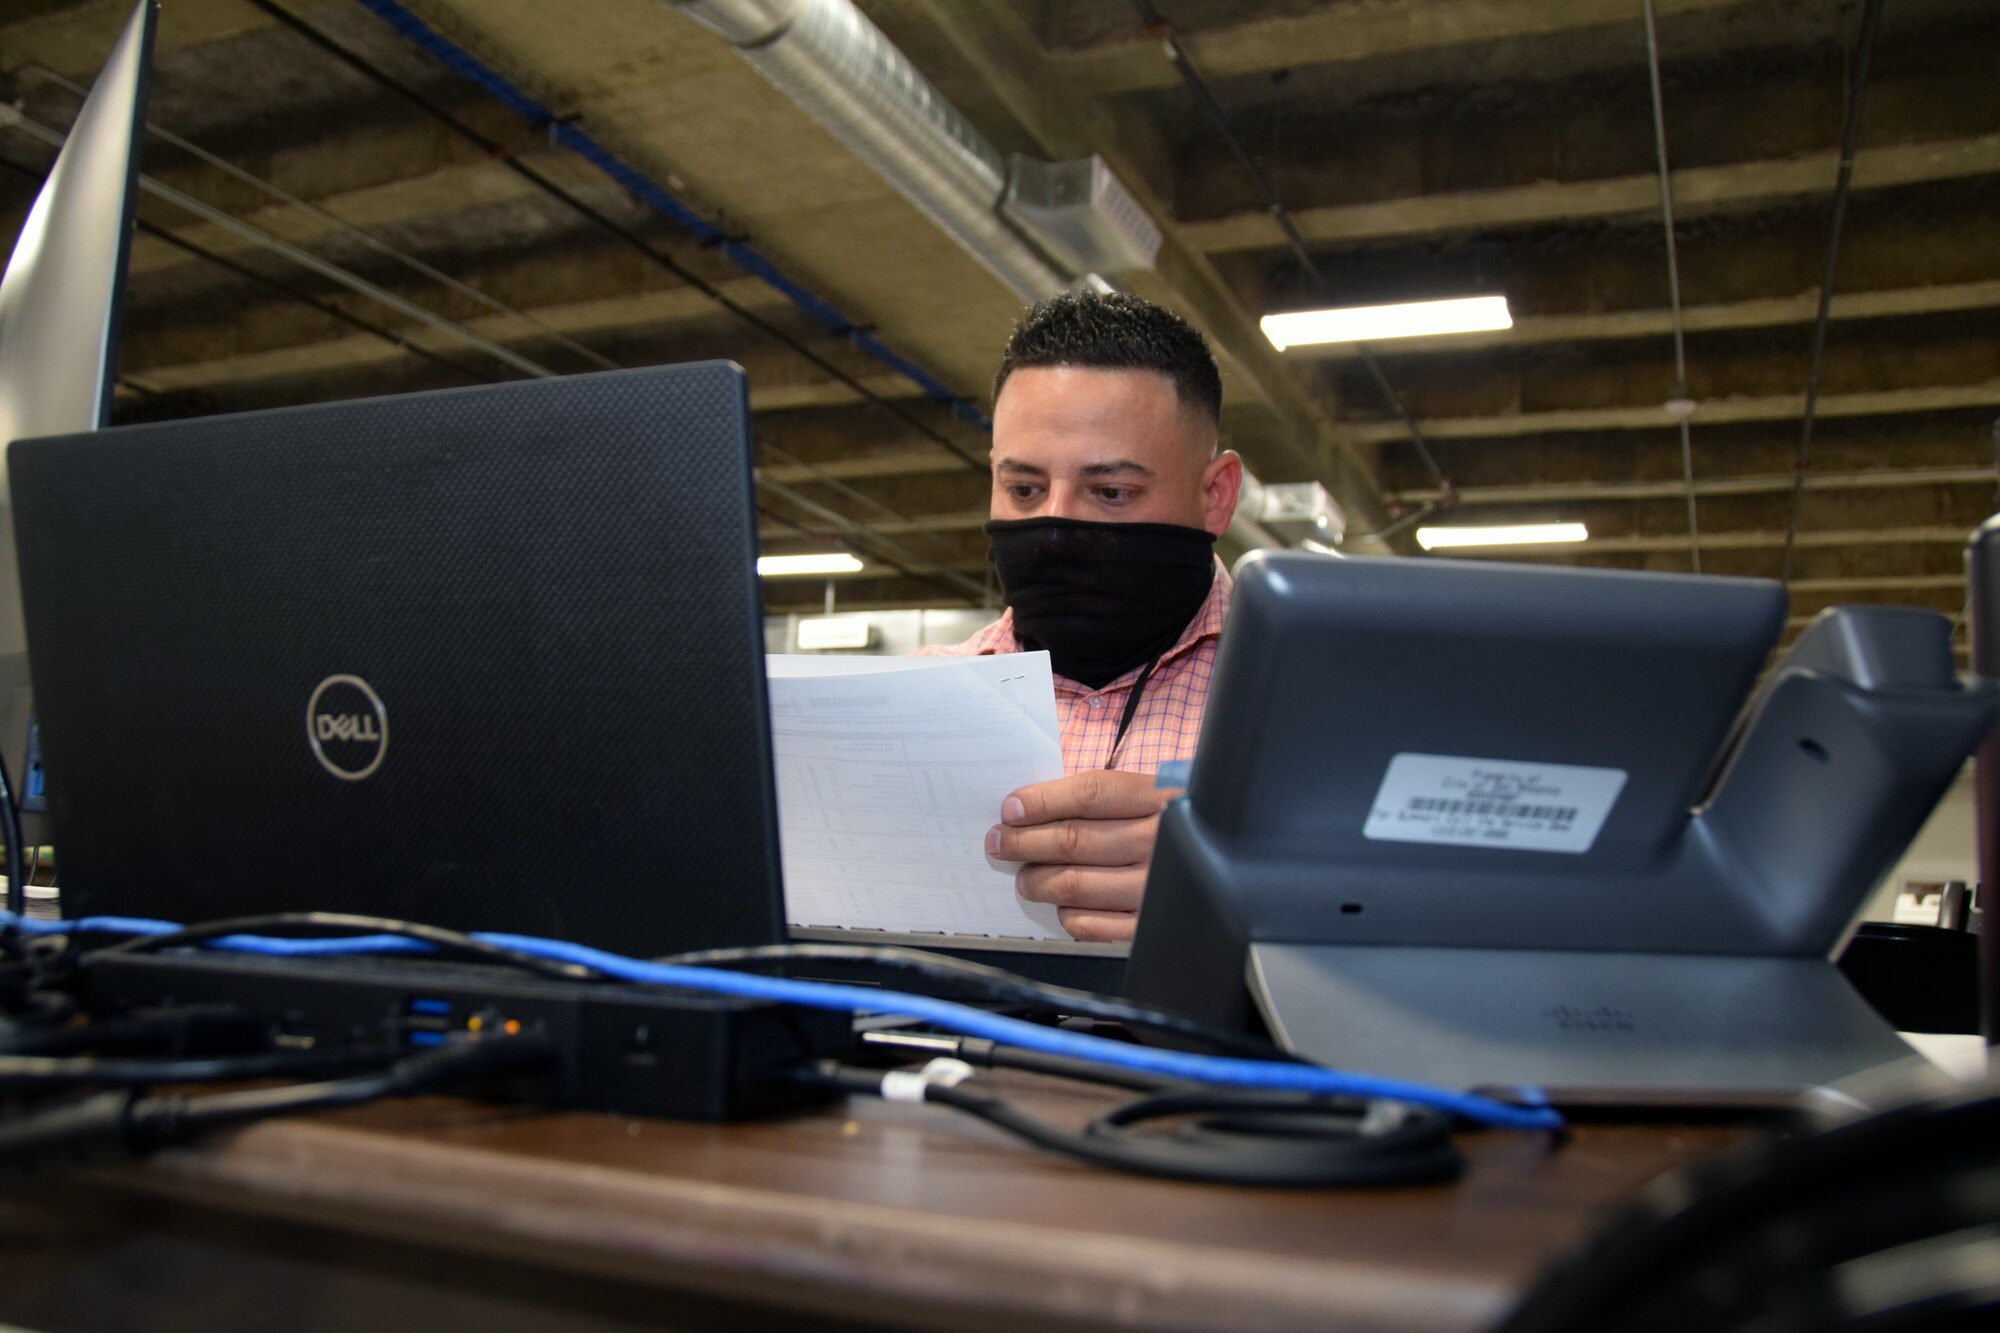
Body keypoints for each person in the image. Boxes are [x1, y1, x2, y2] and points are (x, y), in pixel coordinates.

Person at [918, 291, 1242, 942]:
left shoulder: (1320, 707)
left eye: (1111, 492)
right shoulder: (914, 700)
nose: (1055, 524)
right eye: (1025, 489)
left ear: (1215, 495)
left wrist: (1255, 895)